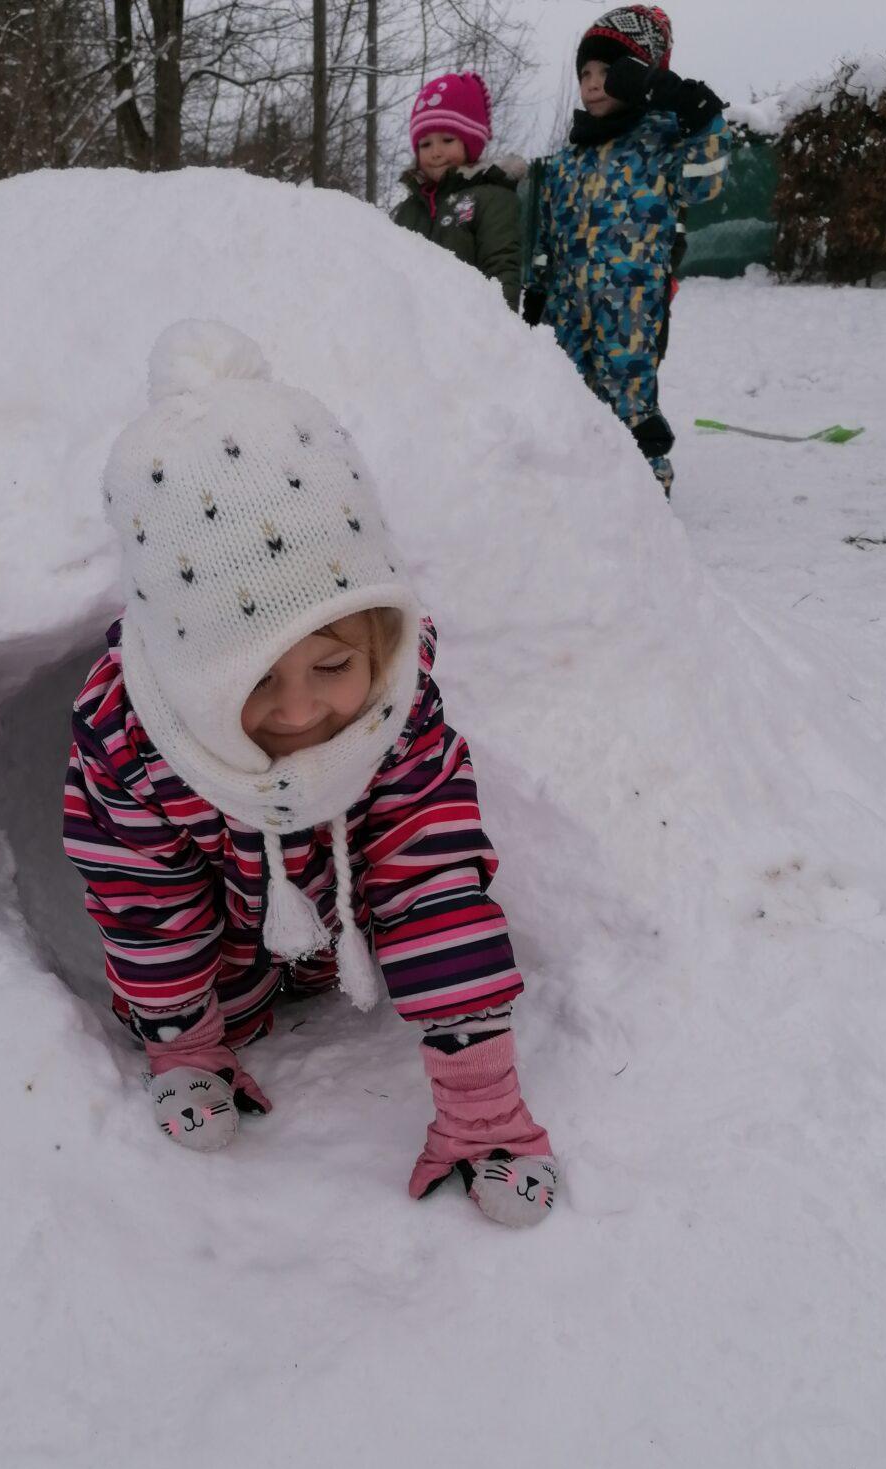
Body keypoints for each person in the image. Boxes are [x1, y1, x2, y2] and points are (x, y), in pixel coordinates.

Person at [63, 319, 556, 1229]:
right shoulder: (130, 743)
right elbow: (144, 903)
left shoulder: (399, 718)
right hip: (224, 946)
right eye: (251, 681)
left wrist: (482, 1105)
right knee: (213, 985)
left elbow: (433, 885)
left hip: (340, 933)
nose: (299, 713)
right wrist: (186, 1047)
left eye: (333, 665)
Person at [523, 6, 729, 493]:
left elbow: (703, 184)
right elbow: (546, 234)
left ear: (637, 77)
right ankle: (575, 485)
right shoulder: (567, 159)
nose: (593, 85)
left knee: (628, 397)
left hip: (631, 306)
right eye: (585, 74)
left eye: (607, 73)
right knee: (566, 394)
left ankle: (644, 492)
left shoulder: (662, 141)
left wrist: (700, 114)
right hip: (567, 306)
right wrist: (537, 290)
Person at [391, 72, 525, 312]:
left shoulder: (491, 198)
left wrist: (500, 325)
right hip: (412, 326)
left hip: (468, 324)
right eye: (425, 144)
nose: (436, 152)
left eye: (447, 140)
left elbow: (502, 267)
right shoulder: (409, 210)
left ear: (470, 142)